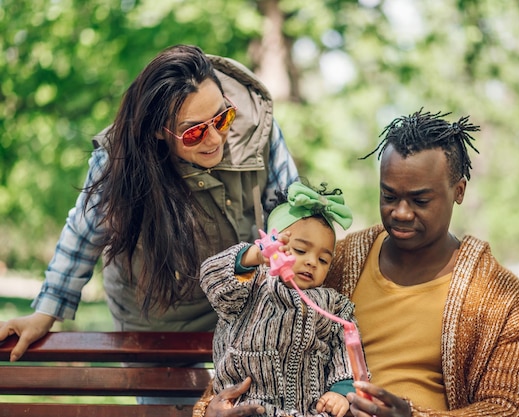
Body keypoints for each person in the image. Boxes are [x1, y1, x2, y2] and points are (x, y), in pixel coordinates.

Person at [0, 43, 298, 402]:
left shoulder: (255, 123)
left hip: (238, 307)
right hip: (156, 320)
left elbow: (289, 209)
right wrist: (45, 312)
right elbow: (82, 234)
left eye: (222, 118)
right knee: (170, 406)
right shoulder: (119, 159)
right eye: (194, 132)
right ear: (158, 131)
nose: (216, 138)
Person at [201, 109, 519, 417]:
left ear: (459, 190)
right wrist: (210, 410)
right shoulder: (334, 261)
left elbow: (509, 408)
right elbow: (253, 335)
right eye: (389, 196)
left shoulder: (503, 300)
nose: (401, 212)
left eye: (420, 199)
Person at [194, 181, 361, 417]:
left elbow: (346, 351)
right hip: (247, 407)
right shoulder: (249, 287)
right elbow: (211, 275)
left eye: (324, 260)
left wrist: (341, 392)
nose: (312, 262)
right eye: (301, 250)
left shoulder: (332, 306)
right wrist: (253, 255)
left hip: (308, 410)